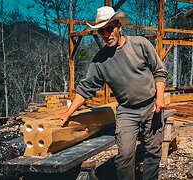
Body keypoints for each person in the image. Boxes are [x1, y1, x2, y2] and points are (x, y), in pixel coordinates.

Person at [53, 6, 167, 180]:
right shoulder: (100, 61)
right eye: (101, 31)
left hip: (152, 106)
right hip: (127, 111)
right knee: (124, 157)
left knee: (153, 151)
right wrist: (67, 113)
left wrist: (159, 98)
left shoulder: (140, 44)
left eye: (109, 28)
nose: (106, 34)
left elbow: (159, 71)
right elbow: (85, 89)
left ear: (119, 27)